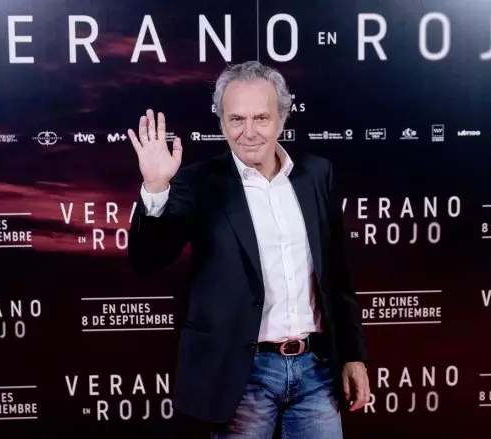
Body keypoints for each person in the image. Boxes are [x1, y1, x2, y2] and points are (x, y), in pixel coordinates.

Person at [126, 60, 370, 439]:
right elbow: (147, 259)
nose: (249, 132)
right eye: (236, 119)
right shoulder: (198, 182)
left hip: (316, 370)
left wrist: (353, 355)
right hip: (241, 373)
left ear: (281, 120)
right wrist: (156, 189)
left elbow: (337, 275)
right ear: (222, 123)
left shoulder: (316, 174)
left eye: (261, 118)